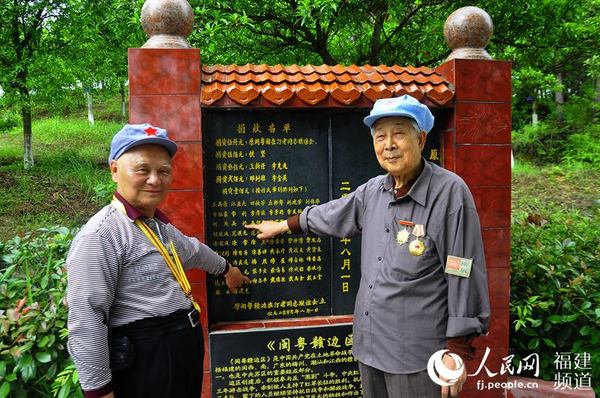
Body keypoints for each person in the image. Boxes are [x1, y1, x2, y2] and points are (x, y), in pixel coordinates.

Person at [246, 95, 490, 398]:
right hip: (371, 345)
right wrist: (284, 225)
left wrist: (456, 349)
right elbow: (334, 213)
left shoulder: (449, 193)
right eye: (380, 136)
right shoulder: (375, 190)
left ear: (421, 138)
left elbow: (462, 269)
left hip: (417, 355)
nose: (388, 144)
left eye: (399, 133)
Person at [67, 123, 251, 398]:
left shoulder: (156, 226)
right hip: (146, 360)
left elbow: (193, 250)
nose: (155, 180)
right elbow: (87, 319)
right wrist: (98, 392)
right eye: (143, 169)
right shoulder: (101, 235)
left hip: (179, 351)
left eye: (164, 171)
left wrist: (227, 269)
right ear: (115, 170)